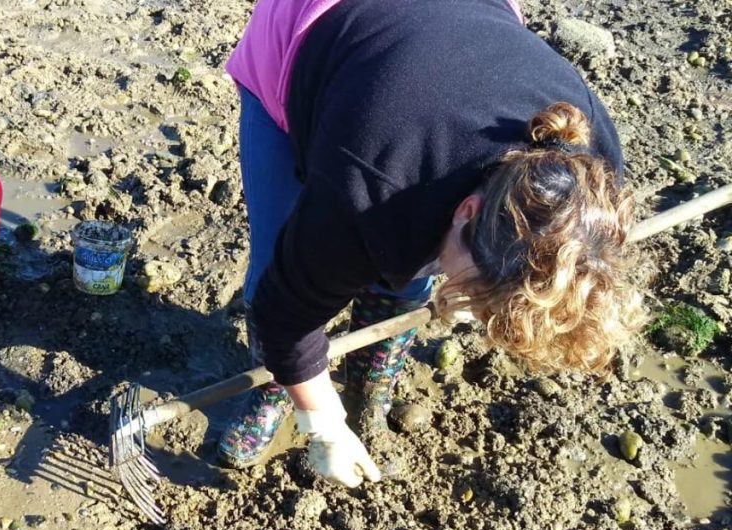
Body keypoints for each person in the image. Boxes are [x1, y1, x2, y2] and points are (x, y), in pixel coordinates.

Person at [217, 0, 645, 487]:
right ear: (469, 210)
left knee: (414, 269)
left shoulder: (592, 170)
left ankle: (368, 380)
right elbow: (285, 313)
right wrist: (324, 427)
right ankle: (275, 389)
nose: (473, 309)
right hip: (304, 33)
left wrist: (473, 284)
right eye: (478, 295)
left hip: (452, 34)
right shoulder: (370, 180)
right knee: (280, 264)